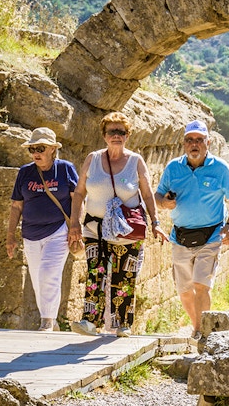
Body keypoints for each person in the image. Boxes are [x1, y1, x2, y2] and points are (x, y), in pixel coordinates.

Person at [68, 112, 168, 337]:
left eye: (121, 132)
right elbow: (79, 192)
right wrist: (74, 223)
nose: (116, 136)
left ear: (127, 135)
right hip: (95, 228)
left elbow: (148, 194)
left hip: (126, 231)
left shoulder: (135, 161)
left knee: (125, 276)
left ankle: (122, 324)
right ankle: (90, 322)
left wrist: (156, 223)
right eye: (112, 131)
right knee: (95, 272)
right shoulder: (92, 159)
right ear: (104, 135)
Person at [154, 119, 229, 339]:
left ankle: (204, 333)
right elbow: (157, 195)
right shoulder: (173, 168)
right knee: (184, 291)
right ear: (184, 144)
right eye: (189, 140)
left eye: (199, 140)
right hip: (180, 236)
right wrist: (164, 203)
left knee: (201, 285)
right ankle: (196, 326)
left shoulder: (220, 168)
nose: (194, 144)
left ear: (208, 142)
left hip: (210, 235)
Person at [6, 127, 79, 331]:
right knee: (38, 278)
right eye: (32, 149)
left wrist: (75, 225)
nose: (36, 153)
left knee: (49, 273)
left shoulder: (65, 169)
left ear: (53, 150)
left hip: (58, 231)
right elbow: (16, 205)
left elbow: (77, 199)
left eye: (41, 148)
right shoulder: (25, 172)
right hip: (30, 234)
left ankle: (46, 321)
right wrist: (10, 235)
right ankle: (52, 321)